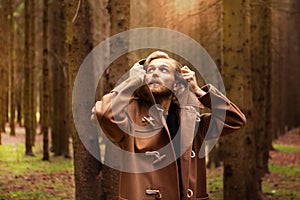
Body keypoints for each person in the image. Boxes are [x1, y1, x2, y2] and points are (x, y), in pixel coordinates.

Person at [93, 51, 246, 200]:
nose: (154, 73)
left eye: (163, 70)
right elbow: (104, 113)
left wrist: (199, 91)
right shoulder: (131, 113)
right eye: (150, 70)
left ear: (177, 84)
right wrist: (132, 82)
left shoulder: (193, 122)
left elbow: (234, 120)